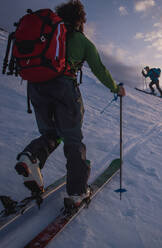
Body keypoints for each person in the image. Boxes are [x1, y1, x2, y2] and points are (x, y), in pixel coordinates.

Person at [14, 0, 125, 208]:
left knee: (51, 134)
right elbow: (99, 69)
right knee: (72, 139)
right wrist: (115, 88)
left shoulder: (47, 35)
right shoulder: (82, 41)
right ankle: (77, 193)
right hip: (64, 88)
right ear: (80, 21)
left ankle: (30, 157)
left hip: (36, 88)